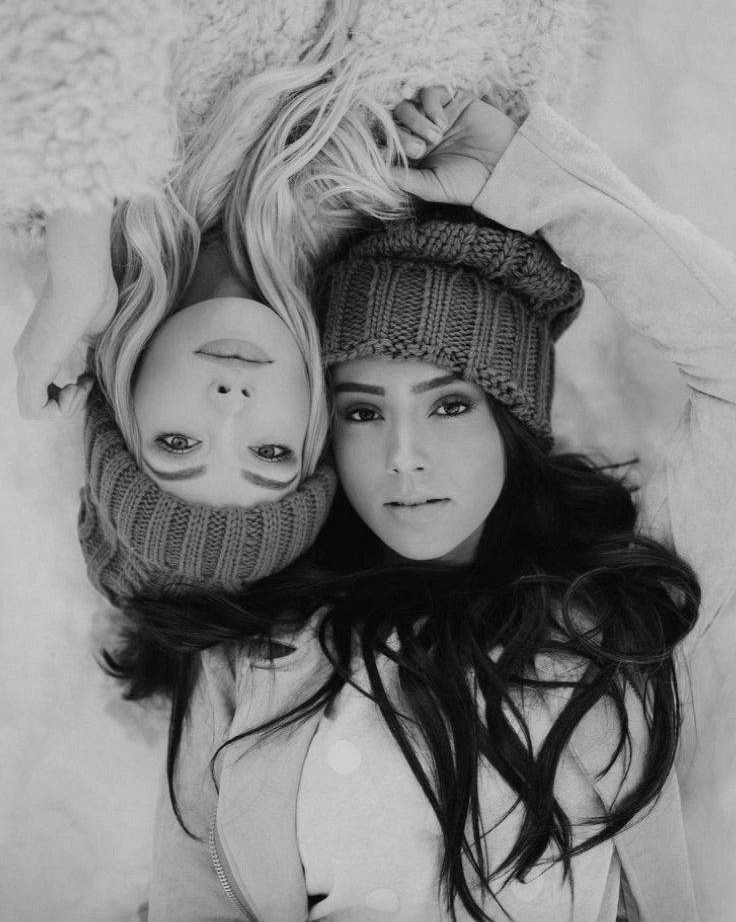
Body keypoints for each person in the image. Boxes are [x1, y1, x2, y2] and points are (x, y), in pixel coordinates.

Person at [112, 91, 736, 921]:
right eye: (362, 411)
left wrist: (526, 179)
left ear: (511, 419)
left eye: (449, 405)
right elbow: (193, 890)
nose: (403, 457)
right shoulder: (256, 640)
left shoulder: (625, 609)